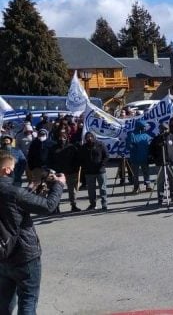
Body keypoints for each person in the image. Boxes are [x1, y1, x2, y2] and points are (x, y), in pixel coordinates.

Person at [0, 150, 64, 314]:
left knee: (4, 302)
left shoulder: (16, 192)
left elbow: (11, 207)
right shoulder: (14, 192)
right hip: (24, 255)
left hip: (2, 254)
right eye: (13, 167)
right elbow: (48, 206)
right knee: (28, 300)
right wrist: (58, 184)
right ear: (6, 170)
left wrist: (30, 190)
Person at [46, 127, 81, 212]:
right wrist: (51, 170)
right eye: (60, 138)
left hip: (70, 172)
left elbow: (77, 159)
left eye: (64, 138)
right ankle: (56, 207)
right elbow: (49, 160)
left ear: (67, 138)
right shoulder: (53, 148)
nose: (62, 139)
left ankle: (73, 205)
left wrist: (75, 169)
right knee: (56, 191)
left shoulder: (72, 147)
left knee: (72, 191)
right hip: (57, 173)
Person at [150, 123, 173, 205]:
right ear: (159, 129)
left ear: (168, 129)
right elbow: (151, 150)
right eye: (162, 129)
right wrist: (156, 159)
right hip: (160, 164)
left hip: (171, 163)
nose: (164, 130)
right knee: (160, 181)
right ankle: (160, 197)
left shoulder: (172, 137)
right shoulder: (157, 139)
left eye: (165, 129)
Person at [78, 132, 110, 211]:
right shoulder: (84, 147)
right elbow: (80, 159)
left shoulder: (100, 144)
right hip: (89, 172)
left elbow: (106, 156)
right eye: (87, 137)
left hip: (100, 171)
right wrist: (84, 167)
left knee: (103, 188)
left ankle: (104, 204)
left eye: (91, 137)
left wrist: (102, 165)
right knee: (91, 190)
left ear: (94, 137)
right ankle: (93, 204)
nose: (89, 138)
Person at [126, 120, 152, 193]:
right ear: (139, 127)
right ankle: (136, 187)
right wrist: (133, 147)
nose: (145, 128)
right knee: (135, 174)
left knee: (146, 172)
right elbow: (128, 146)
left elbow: (151, 144)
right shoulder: (132, 134)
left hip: (145, 157)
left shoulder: (146, 135)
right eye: (144, 127)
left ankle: (148, 185)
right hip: (135, 158)